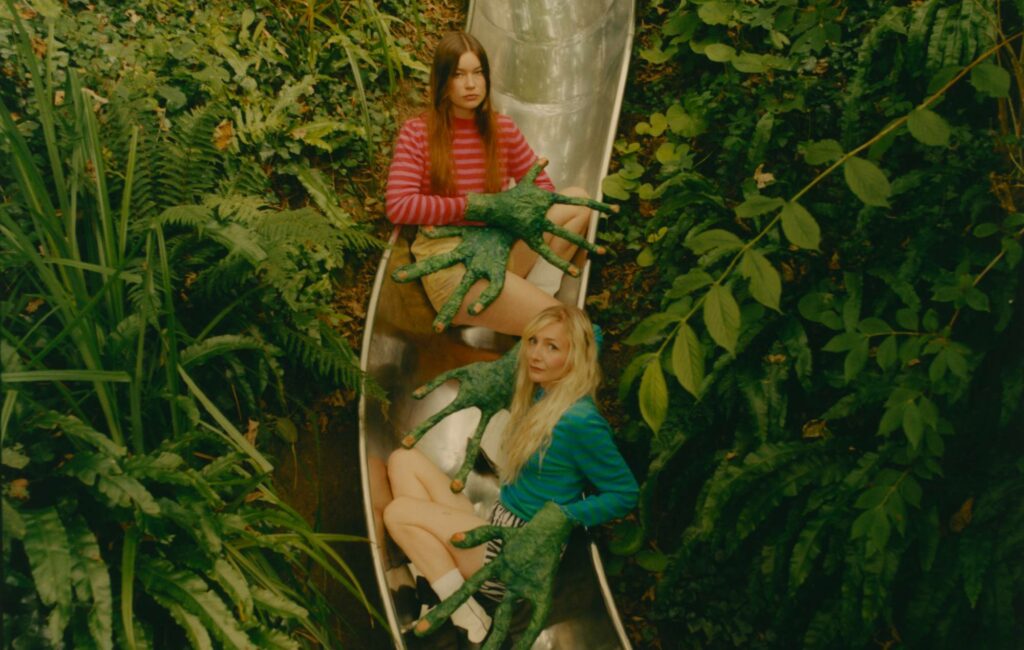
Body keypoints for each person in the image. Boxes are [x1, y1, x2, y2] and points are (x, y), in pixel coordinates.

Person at [383, 305, 639, 642]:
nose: (535, 354)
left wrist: (562, 517)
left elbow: (625, 493)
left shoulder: (579, 421)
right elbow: (596, 335)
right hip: (496, 522)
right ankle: (438, 578)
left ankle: (467, 616)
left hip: (516, 553)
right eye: (533, 341)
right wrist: (566, 331)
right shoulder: (544, 390)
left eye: (552, 348)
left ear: (576, 357)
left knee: (398, 513)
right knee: (404, 461)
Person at [385, 31, 596, 335]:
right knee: (564, 329)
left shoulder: (502, 129)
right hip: (452, 261)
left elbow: (544, 192)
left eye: (478, 73)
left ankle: (532, 294)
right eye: (458, 75)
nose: (471, 84)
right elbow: (399, 206)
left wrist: (502, 227)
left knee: (575, 202)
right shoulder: (418, 133)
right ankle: (532, 311)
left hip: (498, 248)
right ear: (442, 82)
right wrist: (476, 206)